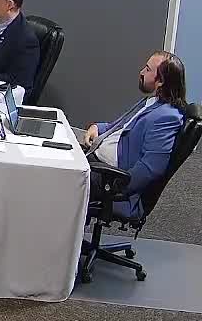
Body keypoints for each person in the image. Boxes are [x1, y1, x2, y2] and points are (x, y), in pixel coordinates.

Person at [78, 51, 187, 219]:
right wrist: (96, 127)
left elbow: (151, 168)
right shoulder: (151, 102)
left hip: (109, 177)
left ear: (161, 81)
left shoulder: (167, 117)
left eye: (148, 69)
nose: (141, 72)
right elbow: (118, 127)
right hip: (96, 160)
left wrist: (115, 188)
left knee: (60, 177)